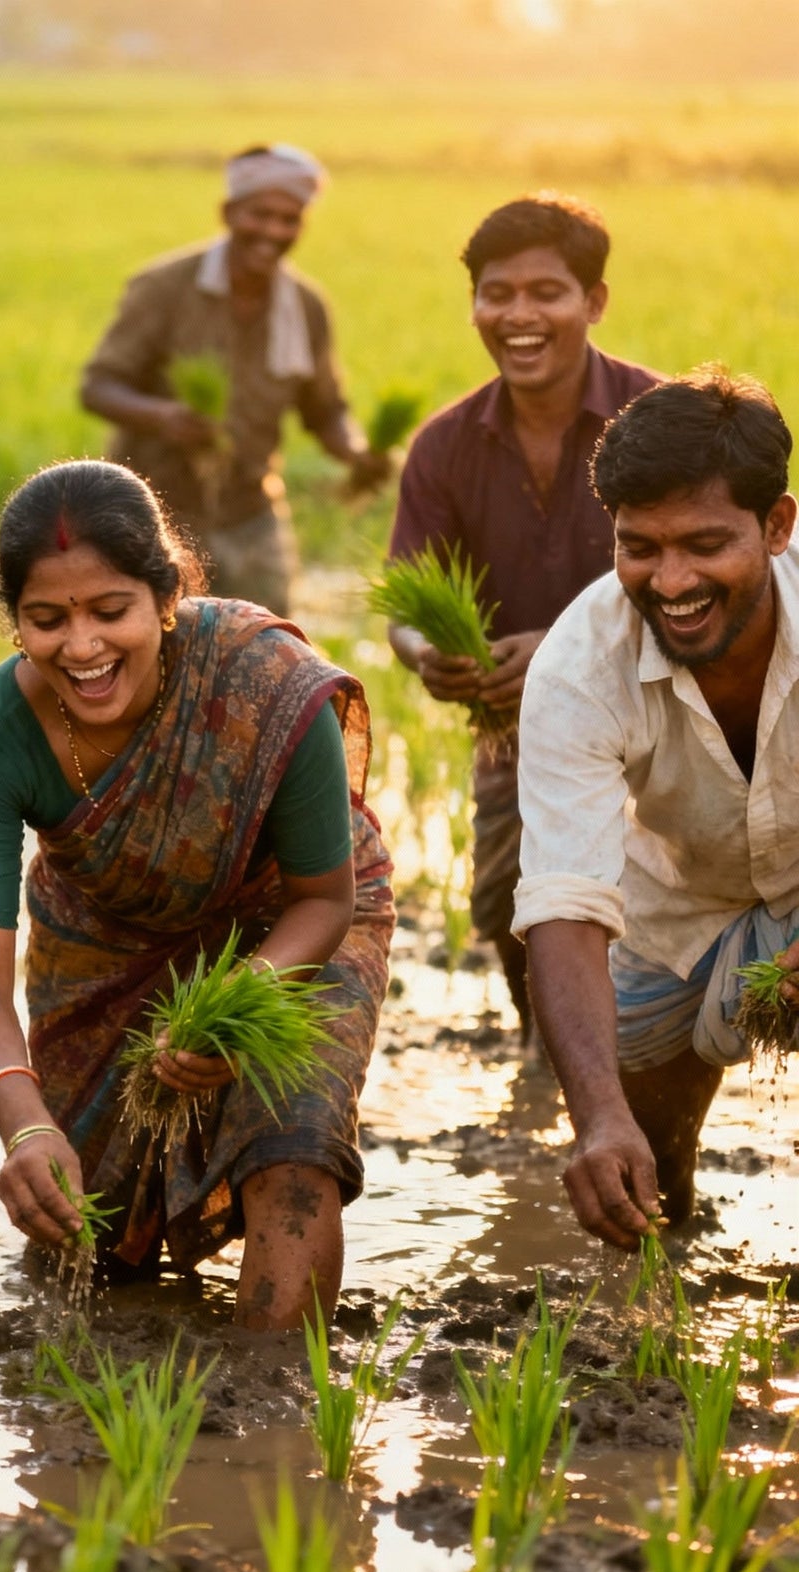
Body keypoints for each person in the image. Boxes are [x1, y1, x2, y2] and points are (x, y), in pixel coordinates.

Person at [0, 459, 394, 1330]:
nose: (82, 646)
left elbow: (324, 900)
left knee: (292, 1152)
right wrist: (24, 1126)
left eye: (110, 612)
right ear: (15, 623)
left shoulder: (266, 681)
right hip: (107, 939)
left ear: (167, 596)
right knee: (86, 1235)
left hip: (289, 922)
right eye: (46, 620)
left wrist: (235, 1003)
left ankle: (274, 1412)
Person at [512, 369, 799, 1247]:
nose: (671, 581)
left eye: (705, 544)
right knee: (647, 1166)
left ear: (778, 525)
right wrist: (593, 1117)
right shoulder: (578, 665)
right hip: (673, 904)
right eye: (640, 547)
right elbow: (564, 901)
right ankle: (660, 1298)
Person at [386, 194, 658, 1041]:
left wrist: (565, 648)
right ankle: (554, 1059)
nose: (519, 315)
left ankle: (641, 1065)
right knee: (507, 902)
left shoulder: (658, 423)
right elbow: (405, 599)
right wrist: (427, 652)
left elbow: (713, 578)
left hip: (660, 708)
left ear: (594, 302)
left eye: (547, 291)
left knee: (656, 904)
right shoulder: (446, 444)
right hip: (515, 722)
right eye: (496, 293)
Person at [80, 144, 386, 617]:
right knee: (157, 654)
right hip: (155, 514)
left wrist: (356, 451)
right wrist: (165, 418)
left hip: (252, 511)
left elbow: (325, 409)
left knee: (268, 653)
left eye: (290, 220)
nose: (274, 231)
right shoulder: (164, 288)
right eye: (260, 215)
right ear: (228, 212)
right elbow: (99, 386)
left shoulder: (305, 306)